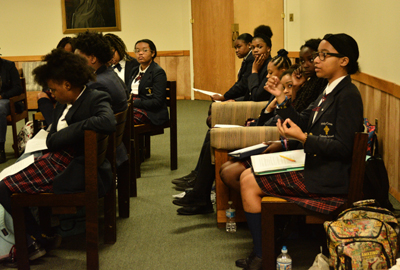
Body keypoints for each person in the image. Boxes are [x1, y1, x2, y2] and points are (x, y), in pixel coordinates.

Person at [236, 33, 363, 270]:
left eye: (324, 55)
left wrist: (303, 139)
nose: (316, 60)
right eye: (317, 55)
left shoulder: (348, 95)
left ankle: (262, 256)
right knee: (246, 173)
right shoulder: (328, 89)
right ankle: (268, 245)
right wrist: (282, 99)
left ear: (344, 61)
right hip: (316, 165)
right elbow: (303, 121)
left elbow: (344, 148)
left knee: (249, 182)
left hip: (328, 178)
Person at [0, 49, 116, 266]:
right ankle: (39, 239)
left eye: (53, 89)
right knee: (8, 179)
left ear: (67, 84)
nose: (51, 93)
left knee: (5, 188)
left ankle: (32, 244)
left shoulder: (94, 96)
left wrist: (62, 136)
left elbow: (107, 122)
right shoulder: (67, 101)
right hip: (61, 158)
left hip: (71, 166)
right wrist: (57, 136)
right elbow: (55, 126)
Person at [172, 49, 291, 196]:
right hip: (257, 127)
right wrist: (267, 109)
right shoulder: (277, 89)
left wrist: (255, 72)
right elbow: (261, 111)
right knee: (212, 133)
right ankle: (197, 182)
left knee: (215, 137)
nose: (268, 76)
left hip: (263, 135)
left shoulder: (285, 93)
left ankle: (200, 193)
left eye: (271, 73)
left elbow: (256, 97)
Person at [220, 39, 328, 192]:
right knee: (226, 168)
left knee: (234, 174)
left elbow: (298, 123)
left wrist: (288, 143)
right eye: (302, 60)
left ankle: (269, 209)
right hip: (285, 141)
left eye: (312, 58)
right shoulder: (307, 84)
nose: (307, 64)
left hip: (296, 149)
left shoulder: (321, 90)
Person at [74, 31, 128, 114]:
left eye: (78, 58)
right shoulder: (110, 72)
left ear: (93, 58)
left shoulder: (96, 84)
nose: (75, 63)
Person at [127, 39, 168, 125]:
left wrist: (134, 102)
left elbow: (157, 102)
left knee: (124, 121)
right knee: (114, 116)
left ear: (152, 53)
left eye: (145, 50)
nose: (140, 53)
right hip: (132, 107)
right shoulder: (134, 71)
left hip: (151, 112)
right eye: (137, 51)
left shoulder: (157, 72)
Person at [37, 37, 77, 127]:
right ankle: (52, 125)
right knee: (41, 95)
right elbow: (45, 86)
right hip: (54, 95)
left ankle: (55, 126)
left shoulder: (76, 66)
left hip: (69, 94)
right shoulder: (52, 66)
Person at [212, 33, 254, 101]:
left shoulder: (252, 60)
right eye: (235, 48)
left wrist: (224, 97)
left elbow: (243, 84)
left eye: (239, 47)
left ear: (249, 45)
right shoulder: (247, 59)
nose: (236, 50)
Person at [0, 57, 22, 163]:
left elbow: (18, 88)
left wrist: (2, 96)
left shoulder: (9, 66)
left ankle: (0, 148)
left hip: (5, 99)